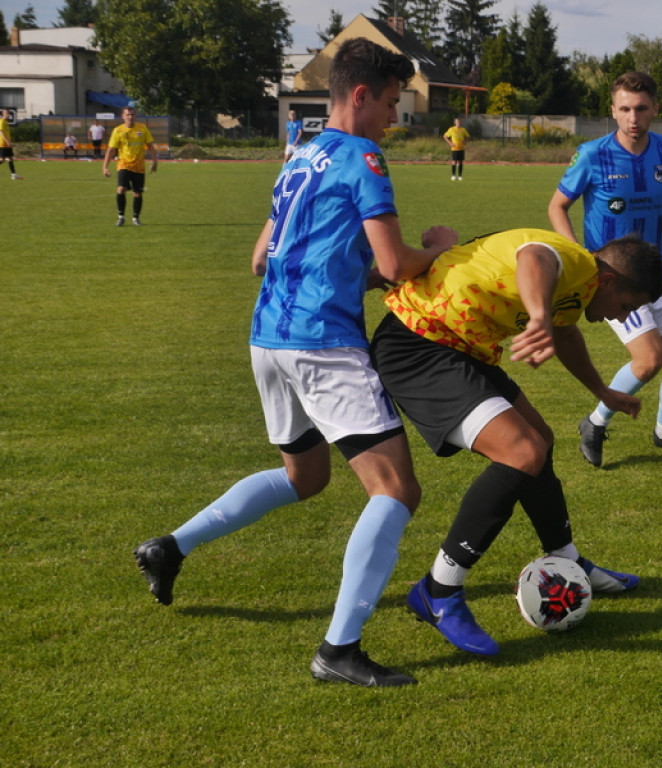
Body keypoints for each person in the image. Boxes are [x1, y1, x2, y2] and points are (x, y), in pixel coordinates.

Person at [132, 37, 458, 687]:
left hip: (268, 338)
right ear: (359, 96)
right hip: (321, 343)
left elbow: (263, 257)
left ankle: (169, 547)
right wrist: (440, 250)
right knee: (397, 489)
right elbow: (394, 264)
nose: (394, 119)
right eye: (392, 104)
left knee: (305, 477)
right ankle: (339, 649)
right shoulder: (362, 156)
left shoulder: (300, 157)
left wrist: (351, 274)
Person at [371, 228, 662, 656]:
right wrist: (540, 317)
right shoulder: (576, 262)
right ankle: (438, 590)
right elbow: (534, 257)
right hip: (419, 344)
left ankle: (567, 560)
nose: (621, 318)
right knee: (522, 452)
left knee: (539, 442)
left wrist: (602, 392)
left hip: (461, 348)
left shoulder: (580, 287)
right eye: (626, 307)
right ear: (610, 280)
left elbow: (566, 334)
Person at [547, 71, 662, 468]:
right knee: (649, 360)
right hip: (611, 282)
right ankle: (595, 423)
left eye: (641, 108)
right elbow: (557, 206)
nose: (633, 117)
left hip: (655, 276)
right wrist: (579, 255)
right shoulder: (592, 154)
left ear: (655, 110)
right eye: (625, 109)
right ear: (613, 111)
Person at [103, 107, 158, 226]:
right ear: (123, 116)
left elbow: (151, 146)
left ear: (135, 116)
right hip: (124, 164)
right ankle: (121, 216)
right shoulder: (118, 131)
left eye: (132, 115)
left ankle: (135, 218)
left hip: (138, 166)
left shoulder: (142, 129)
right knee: (121, 189)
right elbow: (111, 149)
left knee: (137, 193)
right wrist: (105, 167)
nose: (130, 117)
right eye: (127, 115)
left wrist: (154, 162)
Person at [1, 109, 23, 180]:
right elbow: (1, 132)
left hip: (7, 144)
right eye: (6, 113)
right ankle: (14, 175)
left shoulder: (6, 122)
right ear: (3, 114)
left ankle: (14, 175)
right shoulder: (1, 121)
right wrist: (7, 141)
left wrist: (9, 142)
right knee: (2, 159)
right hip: (3, 144)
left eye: (8, 113)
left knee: (10, 158)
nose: (8, 114)